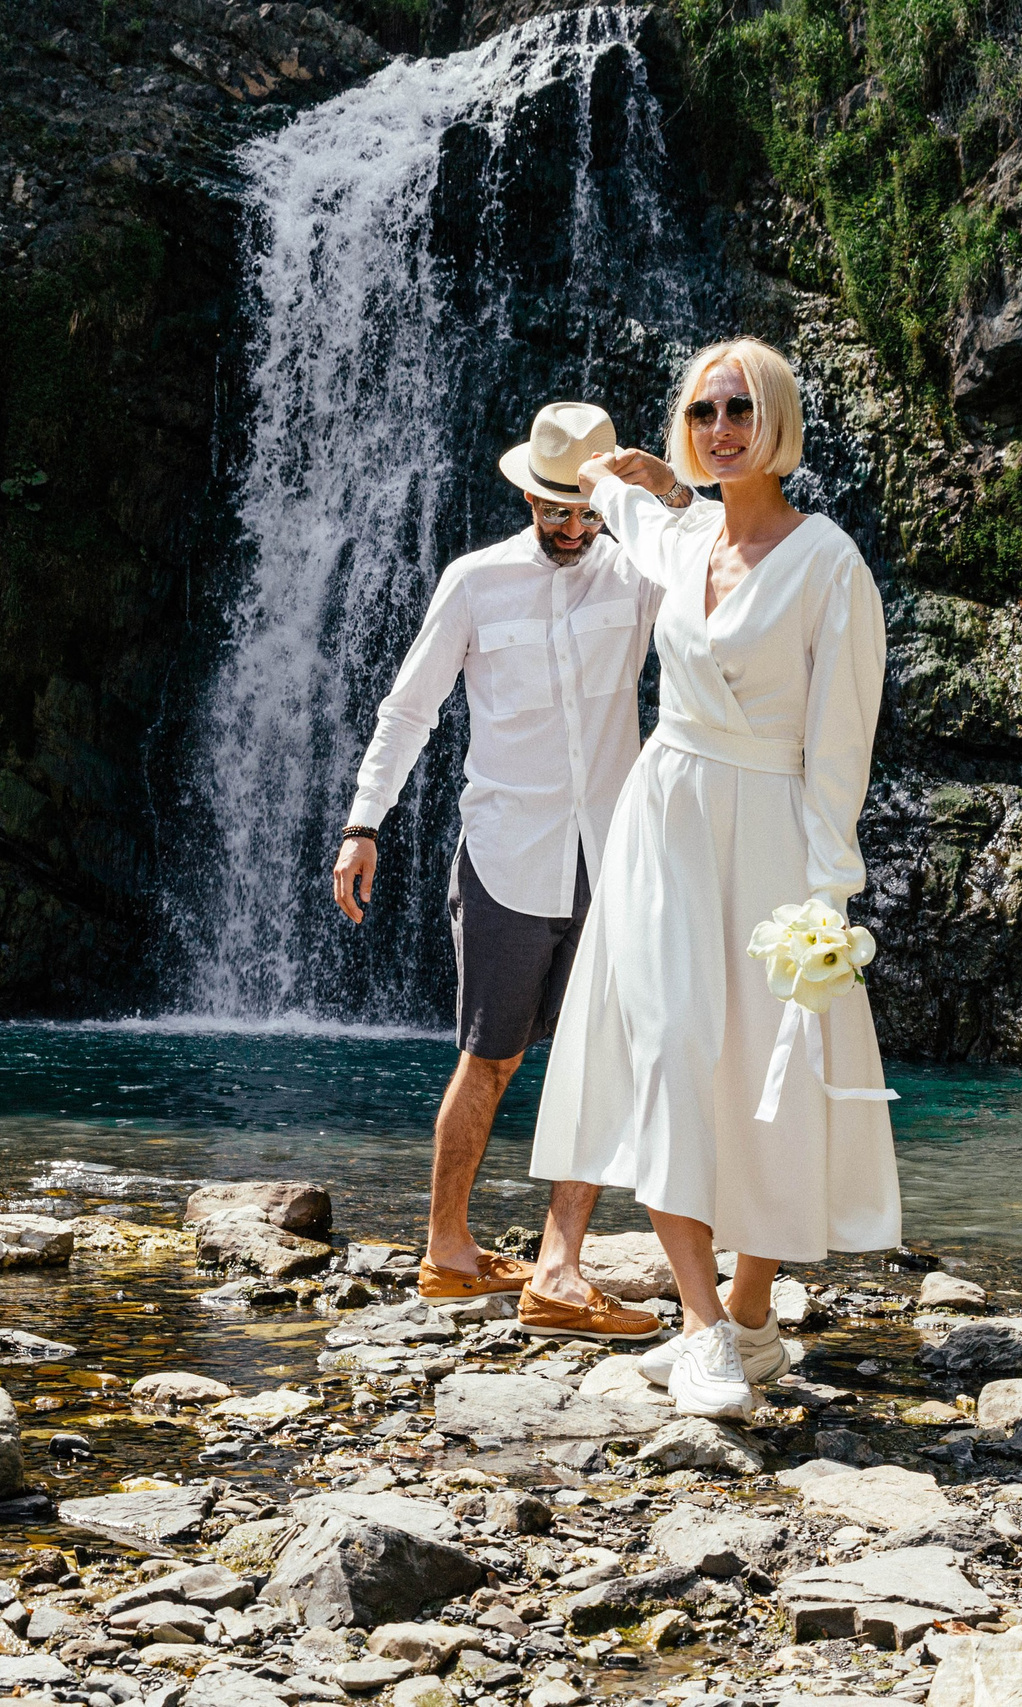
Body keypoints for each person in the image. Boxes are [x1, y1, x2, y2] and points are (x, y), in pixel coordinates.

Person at [528, 338, 899, 1418]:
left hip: (773, 825)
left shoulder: (829, 561)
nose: (719, 429)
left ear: (774, 421)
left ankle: (749, 1319)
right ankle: (699, 1329)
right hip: (666, 820)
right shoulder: (677, 531)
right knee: (675, 1052)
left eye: (737, 409)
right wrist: (607, 468)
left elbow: (843, 739)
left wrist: (830, 889)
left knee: (761, 1069)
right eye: (701, 412)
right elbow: (621, 496)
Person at [331, 400, 694, 1342]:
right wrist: (364, 822)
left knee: (601, 1060)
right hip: (504, 852)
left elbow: (716, 573)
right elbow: (409, 709)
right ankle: (447, 1250)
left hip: (615, 853)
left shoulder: (639, 569)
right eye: (554, 509)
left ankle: (560, 1269)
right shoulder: (475, 581)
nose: (572, 527)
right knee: (490, 1056)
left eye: (587, 510)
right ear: (527, 495)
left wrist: (671, 488)